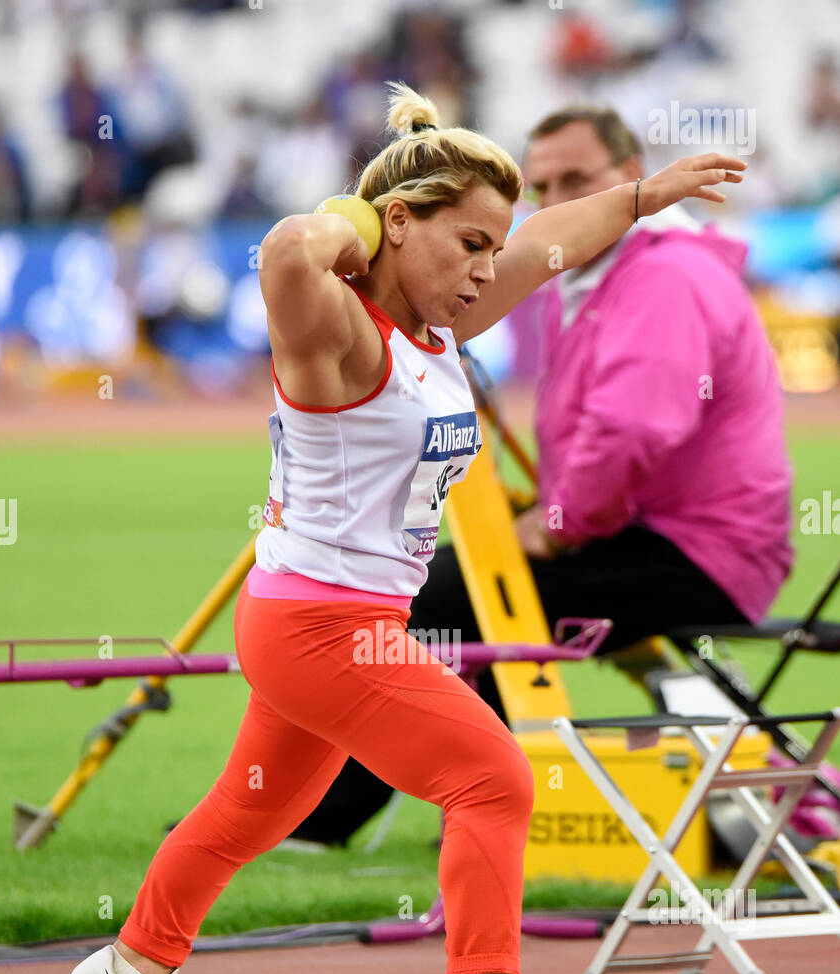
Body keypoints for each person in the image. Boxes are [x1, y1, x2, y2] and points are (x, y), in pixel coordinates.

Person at [67, 82, 744, 974]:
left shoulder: (438, 327)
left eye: (490, 245)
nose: (486, 267)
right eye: (467, 242)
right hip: (319, 627)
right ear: (396, 224)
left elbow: (554, 238)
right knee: (495, 776)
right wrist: (351, 217)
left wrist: (641, 196)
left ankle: (130, 970)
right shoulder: (339, 334)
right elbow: (292, 250)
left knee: (249, 812)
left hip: (336, 621)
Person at [293, 103, 791, 848]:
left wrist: (555, 526)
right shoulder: (607, 273)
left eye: (574, 180)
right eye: (544, 183)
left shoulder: (662, 277)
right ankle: (483, 810)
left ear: (626, 177)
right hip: (670, 537)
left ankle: (338, 819)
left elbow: (631, 431)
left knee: (442, 600)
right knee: (478, 604)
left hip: (691, 553)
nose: (556, 200)